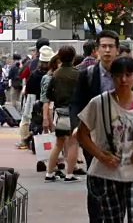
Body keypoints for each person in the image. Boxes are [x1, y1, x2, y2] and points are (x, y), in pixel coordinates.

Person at [77, 56, 133, 223]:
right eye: (118, 75)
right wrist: (100, 155)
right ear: (111, 77)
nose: (123, 80)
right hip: (106, 174)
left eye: (128, 75)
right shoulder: (99, 103)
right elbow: (82, 134)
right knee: (112, 218)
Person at [71, 29, 120, 223]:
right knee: (95, 184)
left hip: (120, 139)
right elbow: (76, 102)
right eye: (103, 46)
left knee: (119, 183)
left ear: (117, 50)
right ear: (97, 50)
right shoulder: (87, 75)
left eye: (111, 47)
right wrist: (77, 125)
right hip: (92, 138)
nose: (107, 50)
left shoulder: (126, 73)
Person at [44, 46, 82, 183]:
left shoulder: (55, 74)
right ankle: (69, 174)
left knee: (58, 143)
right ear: (73, 57)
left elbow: (49, 94)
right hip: (74, 112)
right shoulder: (78, 74)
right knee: (73, 143)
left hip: (59, 111)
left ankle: (49, 172)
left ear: (59, 57)